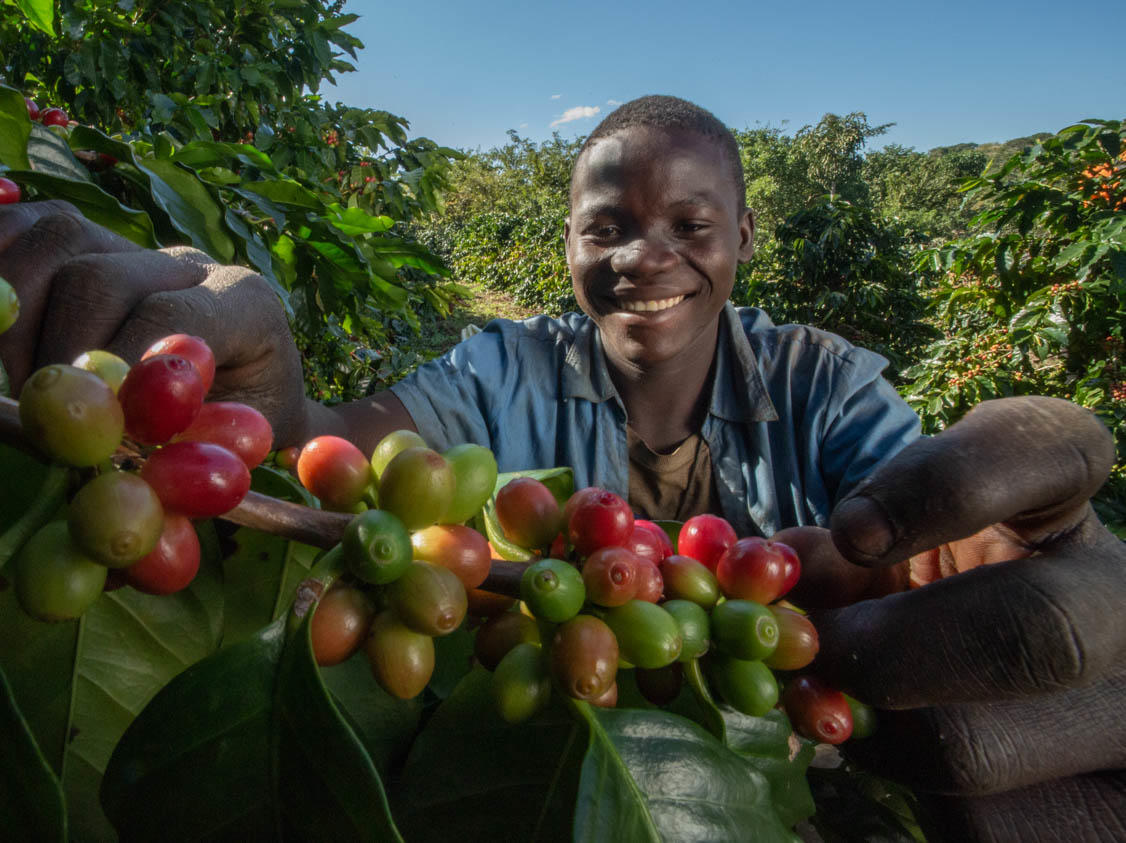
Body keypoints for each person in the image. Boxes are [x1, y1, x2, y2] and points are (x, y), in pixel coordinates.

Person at [1, 96, 1122, 841]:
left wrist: (991, 561)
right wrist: (250, 407)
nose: (647, 259)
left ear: (742, 237)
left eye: (691, 222)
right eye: (607, 227)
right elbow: (337, 447)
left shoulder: (818, 381)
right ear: (568, 246)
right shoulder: (506, 364)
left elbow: (934, 532)